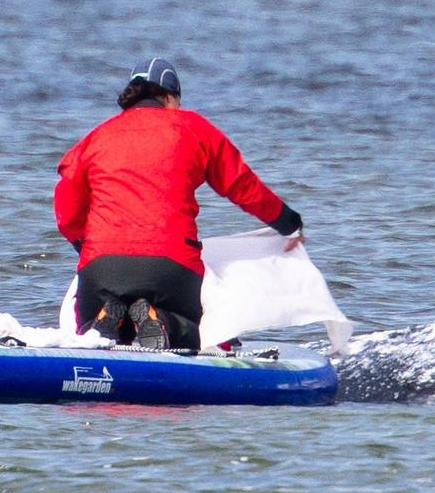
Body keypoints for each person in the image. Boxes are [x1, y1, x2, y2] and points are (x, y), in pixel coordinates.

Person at [55, 58, 304, 350]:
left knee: (90, 333)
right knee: (198, 333)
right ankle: (161, 320)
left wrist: (86, 246)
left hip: (102, 268)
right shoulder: (192, 127)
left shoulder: (95, 137)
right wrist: (289, 223)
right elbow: (242, 185)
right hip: (170, 267)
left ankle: (108, 317)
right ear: (170, 97)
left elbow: (66, 207)